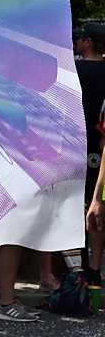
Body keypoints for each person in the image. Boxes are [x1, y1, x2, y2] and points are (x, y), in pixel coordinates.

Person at [76, 21, 105, 284]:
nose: (76, 42)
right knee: (97, 205)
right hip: (100, 145)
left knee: (76, 205)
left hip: (75, 144)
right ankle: (94, 269)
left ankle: (77, 269)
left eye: (80, 37)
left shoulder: (73, 71)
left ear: (88, 42)